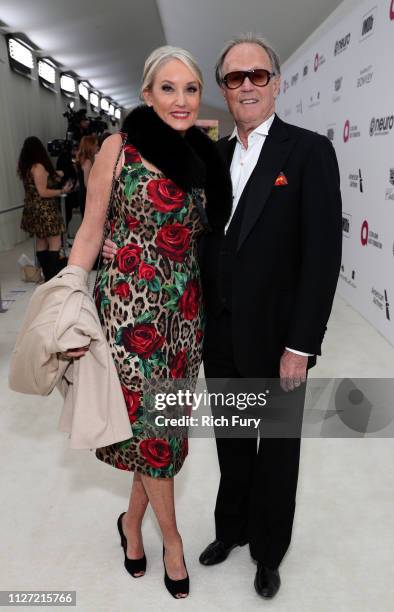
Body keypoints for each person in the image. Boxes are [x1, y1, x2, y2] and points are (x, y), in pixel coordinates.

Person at [63, 46, 231, 599]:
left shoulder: (204, 157)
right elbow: (89, 230)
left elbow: (215, 233)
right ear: (146, 93)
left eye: (190, 89)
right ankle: (173, 543)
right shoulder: (118, 148)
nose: (181, 100)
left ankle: (131, 525)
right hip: (129, 311)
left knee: (157, 435)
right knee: (155, 437)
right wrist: (70, 294)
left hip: (184, 315)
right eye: (168, 88)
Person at [196, 34, 342, 599]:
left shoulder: (308, 152)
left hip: (281, 337)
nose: (248, 85)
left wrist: (301, 345)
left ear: (277, 83)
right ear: (225, 92)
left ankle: (268, 550)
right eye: (236, 78)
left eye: (259, 75)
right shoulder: (212, 159)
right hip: (222, 330)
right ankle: (231, 529)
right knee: (233, 440)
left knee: (276, 447)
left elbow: (322, 256)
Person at [18, 136, 73, 281]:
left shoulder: (26, 167)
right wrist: (62, 191)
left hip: (33, 210)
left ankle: (48, 277)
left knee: (41, 242)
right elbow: (43, 192)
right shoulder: (38, 167)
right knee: (55, 243)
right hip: (45, 210)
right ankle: (52, 277)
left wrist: (54, 175)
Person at [75, 135, 99, 217]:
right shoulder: (87, 162)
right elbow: (87, 183)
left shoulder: (82, 160)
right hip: (87, 196)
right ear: (90, 147)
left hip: (83, 194)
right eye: (96, 145)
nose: (98, 147)